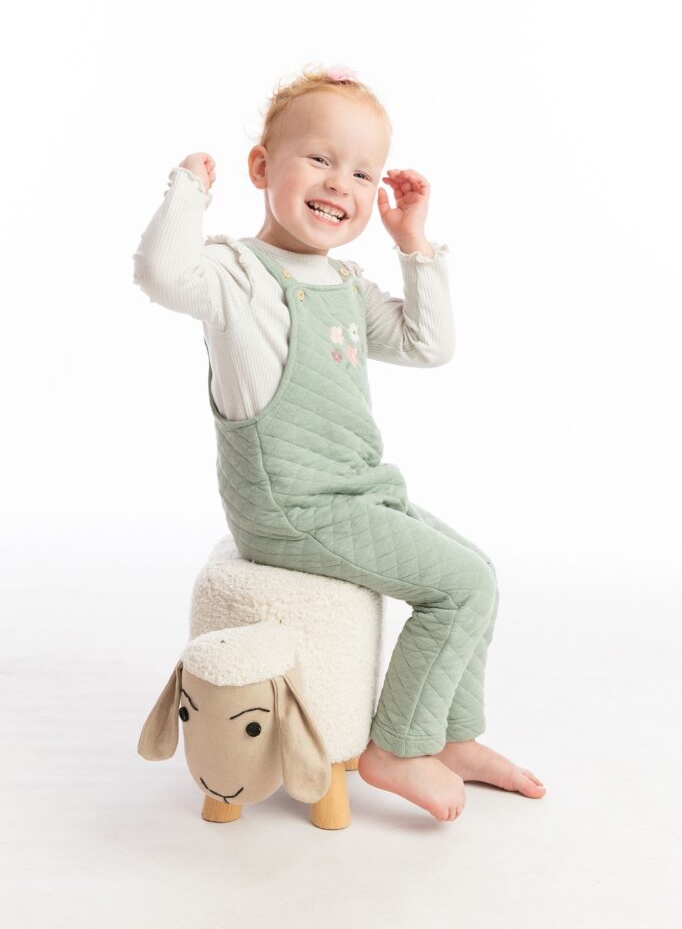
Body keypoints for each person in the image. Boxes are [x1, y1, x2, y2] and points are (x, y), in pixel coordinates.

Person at [133, 62, 546, 823]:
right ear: (262, 167)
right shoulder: (236, 274)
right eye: (320, 158)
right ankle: (398, 747)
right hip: (289, 506)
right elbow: (160, 273)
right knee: (460, 587)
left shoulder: (346, 284)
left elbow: (428, 344)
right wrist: (187, 188)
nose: (339, 184)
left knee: (476, 572)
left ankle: (451, 736)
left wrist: (413, 244)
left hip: (354, 493)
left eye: (363, 172)